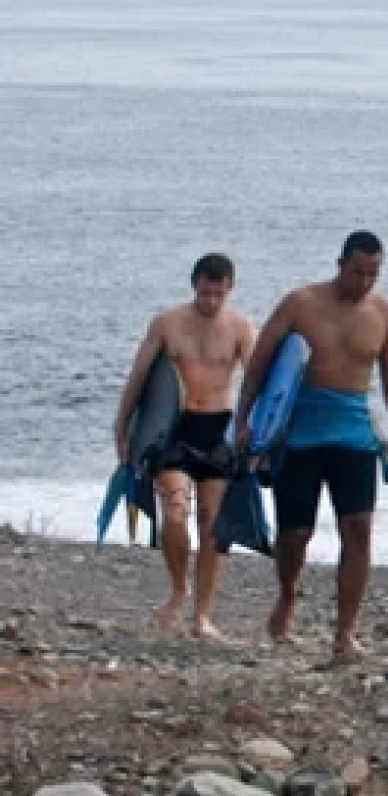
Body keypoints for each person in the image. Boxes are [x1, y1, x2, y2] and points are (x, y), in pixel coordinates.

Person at [236, 231, 388, 663]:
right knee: (295, 534)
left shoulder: (383, 314)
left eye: (373, 273)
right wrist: (244, 420)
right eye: (357, 272)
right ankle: (287, 594)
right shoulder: (300, 304)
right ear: (340, 263)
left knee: (358, 529)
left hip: (353, 433)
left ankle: (345, 635)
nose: (364, 281)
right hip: (300, 434)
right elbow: (260, 363)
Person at [113, 254, 256, 638]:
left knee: (212, 521)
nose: (210, 302)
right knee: (175, 513)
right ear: (194, 285)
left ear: (229, 289)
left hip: (218, 429)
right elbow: (139, 377)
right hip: (175, 430)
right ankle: (179, 589)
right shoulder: (167, 323)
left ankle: (202, 615)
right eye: (205, 293)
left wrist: (257, 434)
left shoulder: (240, 327)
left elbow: (257, 383)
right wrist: (123, 429)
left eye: (218, 294)